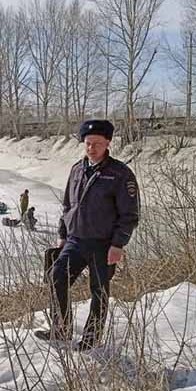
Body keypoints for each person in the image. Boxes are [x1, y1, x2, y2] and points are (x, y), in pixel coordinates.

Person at [35, 120, 140, 351]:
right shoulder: (76, 169)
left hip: (104, 243)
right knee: (56, 277)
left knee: (99, 291)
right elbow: (68, 205)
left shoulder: (120, 174)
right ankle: (61, 329)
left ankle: (91, 340)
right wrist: (63, 234)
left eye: (97, 144)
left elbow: (130, 214)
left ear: (108, 143)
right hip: (76, 240)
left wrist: (118, 244)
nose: (92, 148)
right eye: (88, 143)